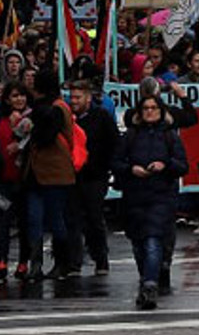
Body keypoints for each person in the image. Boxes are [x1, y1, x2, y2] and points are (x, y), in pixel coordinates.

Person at [112, 94, 188, 309]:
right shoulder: (130, 137)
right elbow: (116, 163)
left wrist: (165, 165)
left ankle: (150, 285)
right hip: (134, 196)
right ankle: (148, 276)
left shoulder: (170, 136)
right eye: (146, 108)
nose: (150, 111)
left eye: (154, 107)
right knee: (138, 244)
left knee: (153, 240)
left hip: (161, 195)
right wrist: (130, 169)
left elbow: (183, 166)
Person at [22, 70, 76, 282]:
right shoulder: (49, 107)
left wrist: (31, 127)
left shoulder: (55, 108)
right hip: (36, 172)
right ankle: (36, 264)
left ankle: (62, 263)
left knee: (56, 219)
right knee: (35, 219)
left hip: (55, 173)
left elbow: (46, 136)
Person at [66, 80, 117, 276]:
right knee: (73, 219)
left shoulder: (101, 117)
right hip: (72, 177)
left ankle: (101, 259)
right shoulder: (68, 118)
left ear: (88, 98)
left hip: (95, 176)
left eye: (78, 97)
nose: (74, 101)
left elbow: (113, 143)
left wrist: (108, 167)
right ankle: (74, 263)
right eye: (72, 97)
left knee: (94, 218)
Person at [0, 82, 31, 279]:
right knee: (3, 222)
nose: (19, 99)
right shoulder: (2, 123)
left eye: (22, 95)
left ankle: (23, 262)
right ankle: (1, 260)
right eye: (14, 96)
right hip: (4, 180)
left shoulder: (32, 120)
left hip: (27, 180)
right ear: (7, 100)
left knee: (26, 223)